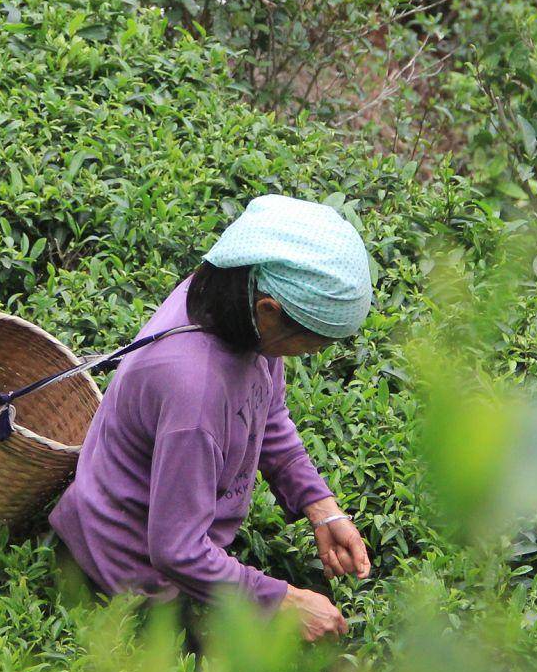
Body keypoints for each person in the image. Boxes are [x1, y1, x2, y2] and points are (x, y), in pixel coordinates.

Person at [51, 195, 374, 642]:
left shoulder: (236, 305)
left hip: (180, 548)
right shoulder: (195, 392)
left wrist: (320, 507)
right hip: (127, 581)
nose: (314, 354)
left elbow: (269, 410)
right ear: (270, 311)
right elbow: (176, 551)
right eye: (315, 343)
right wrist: (283, 600)